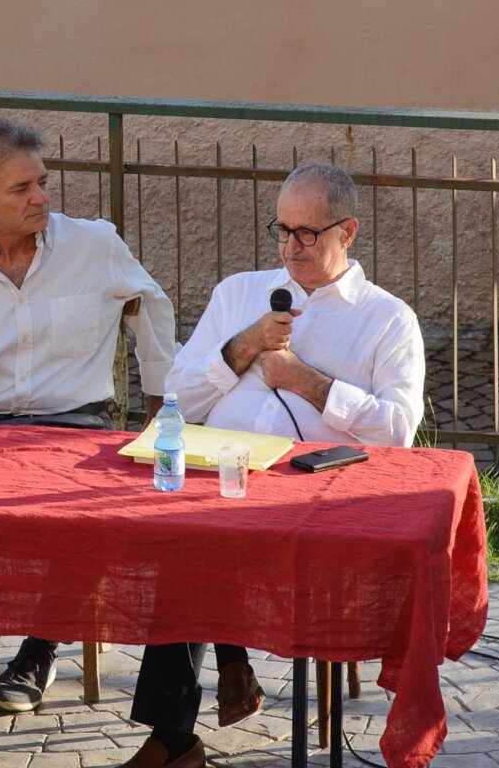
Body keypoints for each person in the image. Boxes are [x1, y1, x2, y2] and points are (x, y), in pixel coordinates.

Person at [121, 163, 425, 768]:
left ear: (349, 232)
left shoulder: (387, 319)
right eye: (281, 230)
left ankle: (224, 672)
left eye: (308, 233)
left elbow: (398, 432)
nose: (290, 247)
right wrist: (244, 347)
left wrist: (306, 382)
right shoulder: (239, 292)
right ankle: (176, 737)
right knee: (178, 541)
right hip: (220, 479)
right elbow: (178, 398)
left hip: (313, 498)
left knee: (207, 550)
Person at [0, 118, 179, 712]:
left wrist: (160, 418)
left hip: (75, 427)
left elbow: (154, 313)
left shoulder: (95, 246)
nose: (42, 198)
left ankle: (42, 643)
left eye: (43, 182)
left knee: (74, 513)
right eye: (22, 189)